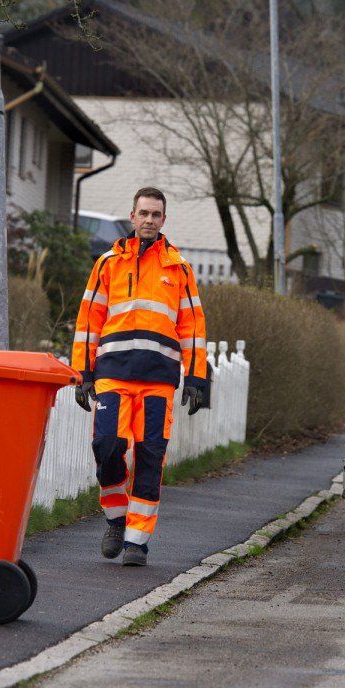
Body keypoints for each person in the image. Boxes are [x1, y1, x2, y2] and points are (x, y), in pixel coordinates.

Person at [72, 187, 208, 567]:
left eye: (156, 214)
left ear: (164, 220)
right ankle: (116, 518)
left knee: (151, 455)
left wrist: (197, 377)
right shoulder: (108, 263)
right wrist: (82, 372)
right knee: (107, 445)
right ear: (132, 216)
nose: (149, 220)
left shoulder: (178, 268)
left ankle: (136, 542)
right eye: (143, 213)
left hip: (158, 379)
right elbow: (89, 319)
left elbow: (193, 326)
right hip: (112, 372)